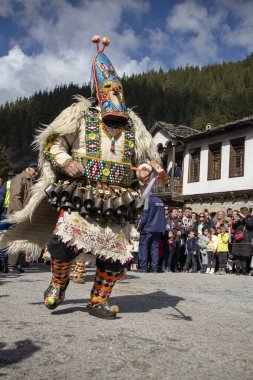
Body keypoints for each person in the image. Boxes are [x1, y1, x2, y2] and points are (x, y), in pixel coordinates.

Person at [0, 36, 163, 319]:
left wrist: (147, 168)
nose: (116, 94)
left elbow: (147, 157)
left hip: (119, 198)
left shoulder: (134, 124)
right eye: (110, 88)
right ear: (100, 90)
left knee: (113, 256)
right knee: (62, 247)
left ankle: (98, 301)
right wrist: (67, 161)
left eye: (120, 89)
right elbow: (53, 143)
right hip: (81, 191)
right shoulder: (80, 113)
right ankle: (59, 283)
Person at [137, 193, 166, 273]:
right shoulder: (161, 201)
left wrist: (139, 227)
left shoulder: (147, 201)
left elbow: (144, 216)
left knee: (143, 247)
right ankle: (154, 268)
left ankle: (143, 267)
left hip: (147, 228)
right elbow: (162, 216)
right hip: (157, 229)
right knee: (155, 248)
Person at [231, 209, 253, 275]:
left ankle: (244, 270)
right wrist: (236, 221)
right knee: (237, 255)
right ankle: (237, 270)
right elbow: (234, 227)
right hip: (237, 239)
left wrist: (244, 218)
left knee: (244, 256)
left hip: (246, 239)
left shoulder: (250, 218)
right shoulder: (239, 220)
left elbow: (250, 225)